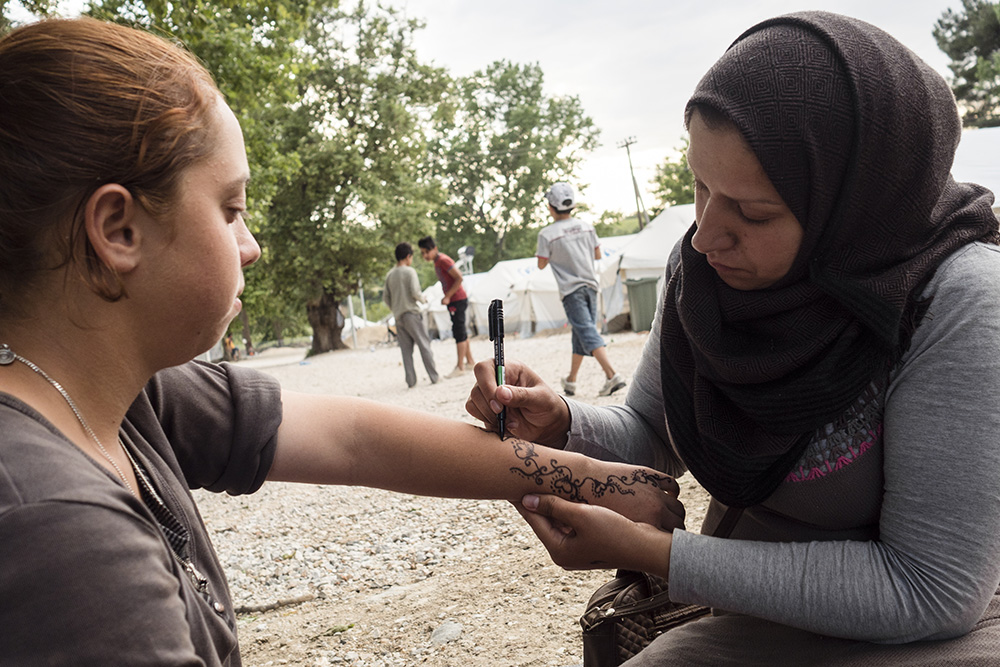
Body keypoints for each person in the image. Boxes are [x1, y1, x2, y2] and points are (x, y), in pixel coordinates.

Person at [0, 18, 684, 665]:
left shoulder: (116, 393)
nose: (252, 246)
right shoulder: (59, 535)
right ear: (118, 229)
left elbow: (356, 437)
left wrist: (601, 478)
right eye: (230, 209)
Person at [467, 11, 1000, 664]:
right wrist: (562, 422)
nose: (705, 234)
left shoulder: (958, 297)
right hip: (768, 615)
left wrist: (655, 552)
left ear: (850, 204)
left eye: (754, 212)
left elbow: (933, 588)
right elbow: (654, 432)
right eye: (699, 186)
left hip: (937, 626)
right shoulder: (702, 272)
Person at [537, 182, 625, 397]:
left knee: (586, 330)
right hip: (591, 286)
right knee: (581, 332)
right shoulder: (587, 226)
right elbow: (597, 255)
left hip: (570, 290)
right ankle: (571, 381)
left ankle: (612, 375)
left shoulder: (547, 234)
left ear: (550, 207)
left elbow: (541, 263)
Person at [417, 235, 475, 377]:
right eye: (422, 253)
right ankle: (470, 362)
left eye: (426, 252)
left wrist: (448, 295)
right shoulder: (437, 262)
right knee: (461, 331)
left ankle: (460, 367)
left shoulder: (443, 260)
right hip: (455, 300)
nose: (425, 255)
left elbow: (459, 277)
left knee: (458, 332)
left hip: (457, 299)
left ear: (434, 249)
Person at [383, 242, 438, 387]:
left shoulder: (390, 275)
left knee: (406, 351)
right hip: (412, 314)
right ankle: (434, 377)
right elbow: (415, 292)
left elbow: (386, 298)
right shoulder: (409, 272)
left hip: (398, 317)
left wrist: (395, 307)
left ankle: (411, 381)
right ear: (408, 256)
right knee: (424, 345)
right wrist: (423, 299)